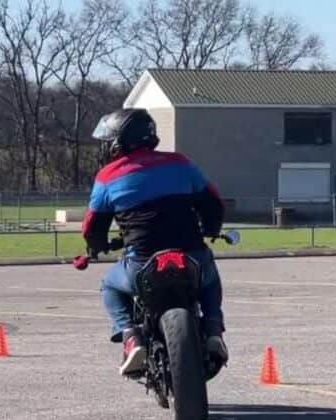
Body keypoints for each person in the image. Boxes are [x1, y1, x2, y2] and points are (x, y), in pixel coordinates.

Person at [82, 108, 228, 375]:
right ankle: (213, 330)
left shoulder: (107, 177)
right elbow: (213, 203)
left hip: (141, 262)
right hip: (191, 254)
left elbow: (92, 225)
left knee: (110, 287)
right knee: (209, 278)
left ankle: (130, 335)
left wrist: (97, 246)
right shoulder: (180, 163)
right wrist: (210, 228)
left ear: (118, 143)